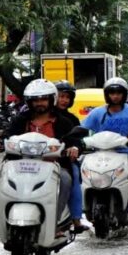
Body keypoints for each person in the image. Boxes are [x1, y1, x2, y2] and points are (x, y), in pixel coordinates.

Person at [0, 79, 82, 228]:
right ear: (29, 102)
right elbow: (7, 134)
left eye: (44, 99)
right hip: (20, 166)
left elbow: (75, 141)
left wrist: (74, 148)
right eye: (36, 100)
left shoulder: (64, 122)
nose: (40, 103)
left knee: (66, 180)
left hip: (53, 166)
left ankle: (55, 222)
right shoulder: (21, 120)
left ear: (52, 99)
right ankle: (0, 220)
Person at [82, 77, 128, 212]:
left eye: (119, 93)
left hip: (124, 152)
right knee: (82, 163)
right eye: (112, 93)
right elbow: (83, 128)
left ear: (124, 94)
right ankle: (84, 199)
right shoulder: (98, 112)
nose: (115, 96)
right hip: (99, 152)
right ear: (107, 94)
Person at [53, 81, 87, 232]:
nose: (64, 100)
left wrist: (75, 148)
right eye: (61, 96)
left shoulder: (71, 120)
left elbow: (79, 141)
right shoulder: (30, 116)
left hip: (63, 160)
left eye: (67, 97)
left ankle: (76, 219)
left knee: (72, 175)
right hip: (35, 159)